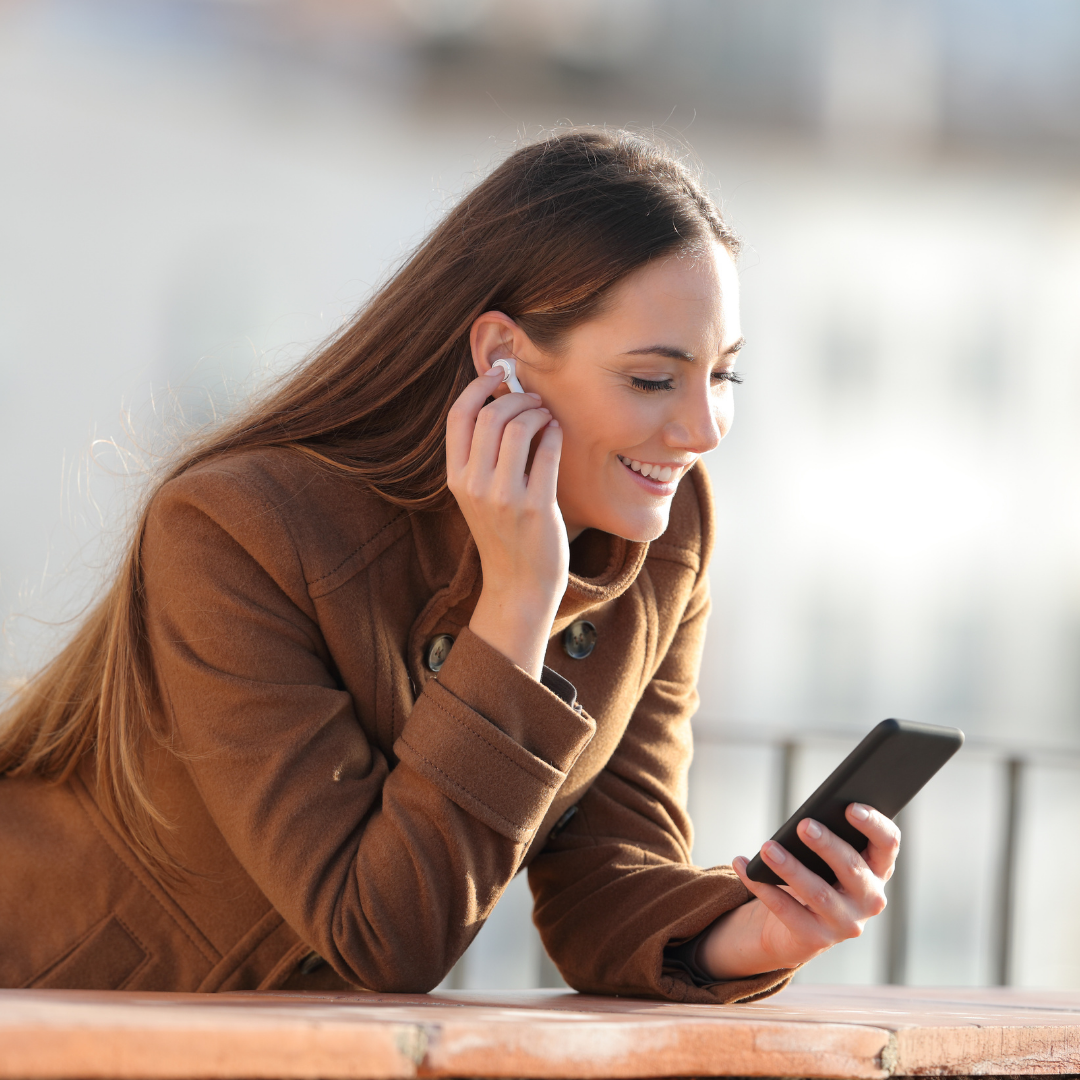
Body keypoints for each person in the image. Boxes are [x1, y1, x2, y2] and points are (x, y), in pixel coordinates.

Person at [0, 130, 898, 1001]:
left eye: (724, 377)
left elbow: (606, 876)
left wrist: (759, 931)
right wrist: (515, 604)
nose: (702, 430)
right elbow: (383, 933)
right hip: (54, 1006)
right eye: (655, 380)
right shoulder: (235, 528)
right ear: (504, 362)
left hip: (307, 1050)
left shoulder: (666, 539)